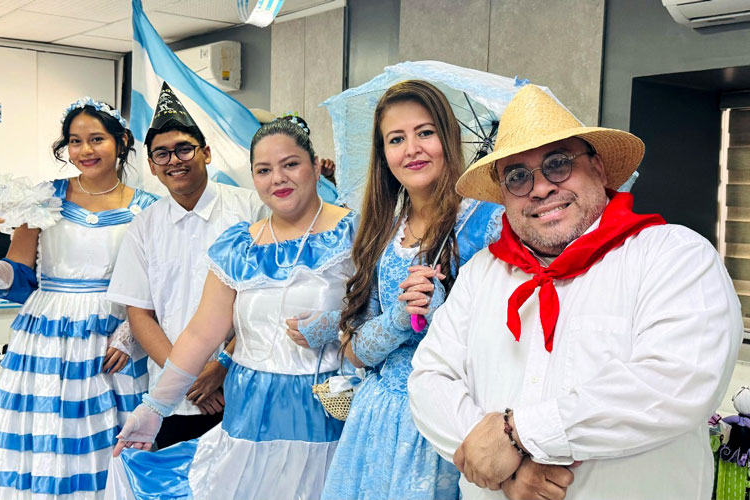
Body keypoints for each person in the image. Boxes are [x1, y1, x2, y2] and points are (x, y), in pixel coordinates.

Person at [408, 84, 743, 500]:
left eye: (558, 164)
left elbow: (676, 381)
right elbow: (430, 378)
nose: (541, 188)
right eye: (517, 176)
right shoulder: (480, 275)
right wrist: (503, 468)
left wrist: (518, 434)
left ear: (599, 169)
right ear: (503, 195)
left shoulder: (675, 255)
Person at [105, 119, 355, 500]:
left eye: (291, 164)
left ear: (316, 166)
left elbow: (381, 319)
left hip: (326, 408)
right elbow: (202, 333)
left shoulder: (356, 234)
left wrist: (338, 326)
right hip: (251, 409)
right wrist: (154, 407)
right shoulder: (239, 246)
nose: (278, 179)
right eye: (264, 170)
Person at [296, 80, 504, 500]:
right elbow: (353, 351)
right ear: (383, 155)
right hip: (376, 420)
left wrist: (442, 314)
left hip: (452, 420)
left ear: (447, 136)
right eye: (396, 139)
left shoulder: (489, 223)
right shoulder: (380, 229)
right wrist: (396, 319)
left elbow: (504, 334)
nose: (412, 149)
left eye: (425, 132)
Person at [0, 98, 158, 499]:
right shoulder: (44, 198)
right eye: (75, 141)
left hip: (114, 335)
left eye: (97, 139)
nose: (85, 150)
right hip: (46, 333)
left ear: (121, 142)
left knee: (108, 436)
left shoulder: (149, 209)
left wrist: (130, 332)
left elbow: (157, 285)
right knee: (45, 429)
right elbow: (19, 279)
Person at [106, 83, 267, 449]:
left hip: (241, 385)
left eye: (183, 149)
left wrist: (222, 366)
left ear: (206, 153)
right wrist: (186, 376)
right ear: (151, 165)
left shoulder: (251, 211)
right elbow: (140, 313)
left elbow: (265, 302)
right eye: (161, 154)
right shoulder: (144, 225)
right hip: (174, 400)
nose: (174, 160)